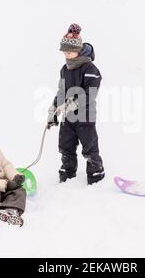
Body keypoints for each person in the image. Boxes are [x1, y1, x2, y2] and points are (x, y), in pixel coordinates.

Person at [47, 23, 105, 185]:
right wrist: (53, 110)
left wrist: (71, 104)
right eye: (64, 51)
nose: (67, 54)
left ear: (79, 50)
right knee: (65, 145)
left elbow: (90, 94)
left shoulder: (90, 69)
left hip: (85, 116)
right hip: (68, 116)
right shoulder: (65, 69)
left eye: (70, 51)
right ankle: (67, 172)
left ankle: (96, 174)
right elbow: (61, 91)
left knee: (89, 146)